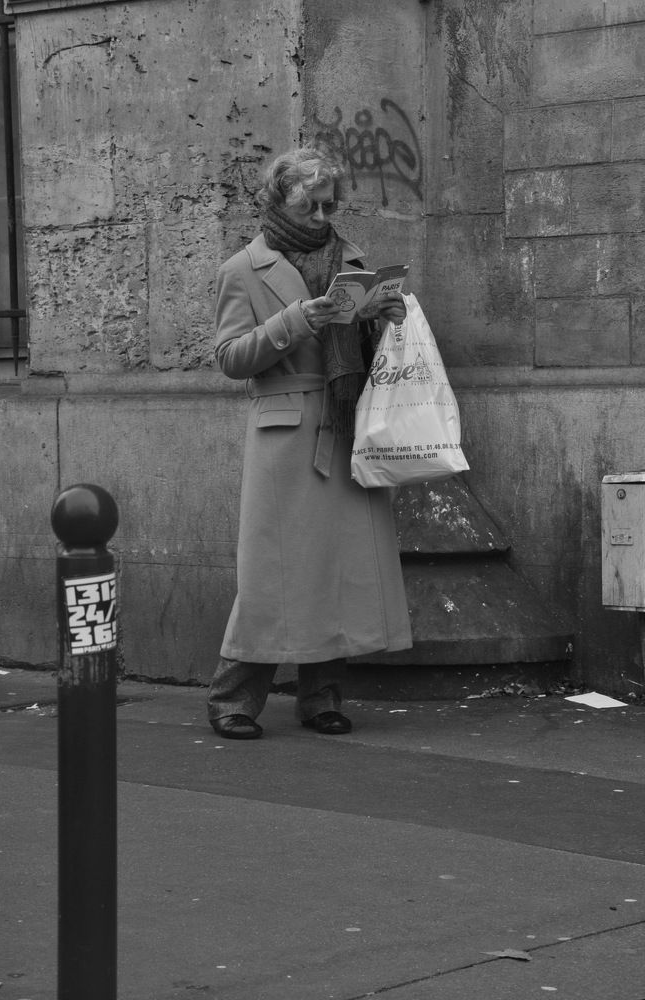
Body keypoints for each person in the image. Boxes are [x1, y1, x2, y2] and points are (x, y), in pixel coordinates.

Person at [207, 144, 412, 739]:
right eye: (312, 206)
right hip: (285, 431)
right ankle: (232, 702)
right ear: (279, 201)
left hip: (345, 420)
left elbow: (365, 346)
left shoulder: (350, 257)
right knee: (271, 573)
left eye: (329, 206)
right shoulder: (241, 269)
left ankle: (320, 697)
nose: (324, 218)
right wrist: (295, 320)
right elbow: (229, 359)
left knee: (336, 567)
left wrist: (384, 314)